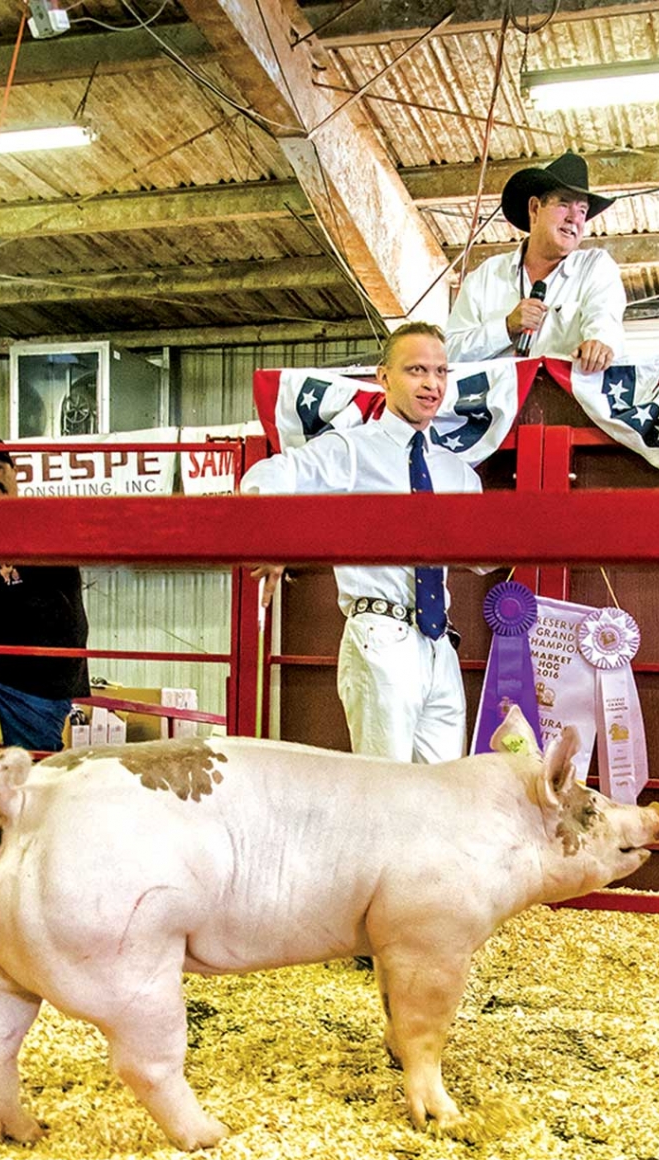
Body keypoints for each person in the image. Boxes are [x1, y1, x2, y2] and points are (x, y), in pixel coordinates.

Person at [241, 323, 482, 765]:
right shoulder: (352, 450)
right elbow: (271, 474)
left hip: (439, 644)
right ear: (383, 377)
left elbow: (486, 554)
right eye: (416, 370)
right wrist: (269, 533)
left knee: (448, 793)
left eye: (441, 372)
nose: (432, 384)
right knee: (385, 792)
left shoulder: (457, 472)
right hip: (380, 634)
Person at [445, 151, 625, 372]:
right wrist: (505, 327)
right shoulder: (485, 277)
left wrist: (600, 344)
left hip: (564, 403)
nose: (574, 218)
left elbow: (604, 320)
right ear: (534, 208)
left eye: (582, 210)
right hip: (493, 404)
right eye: (563, 204)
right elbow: (449, 355)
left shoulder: (595, 267)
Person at [0, 435, 89, 752]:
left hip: (37, 672)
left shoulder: (46, 527)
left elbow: (54, 615)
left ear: (14, 475)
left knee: (33, 770)